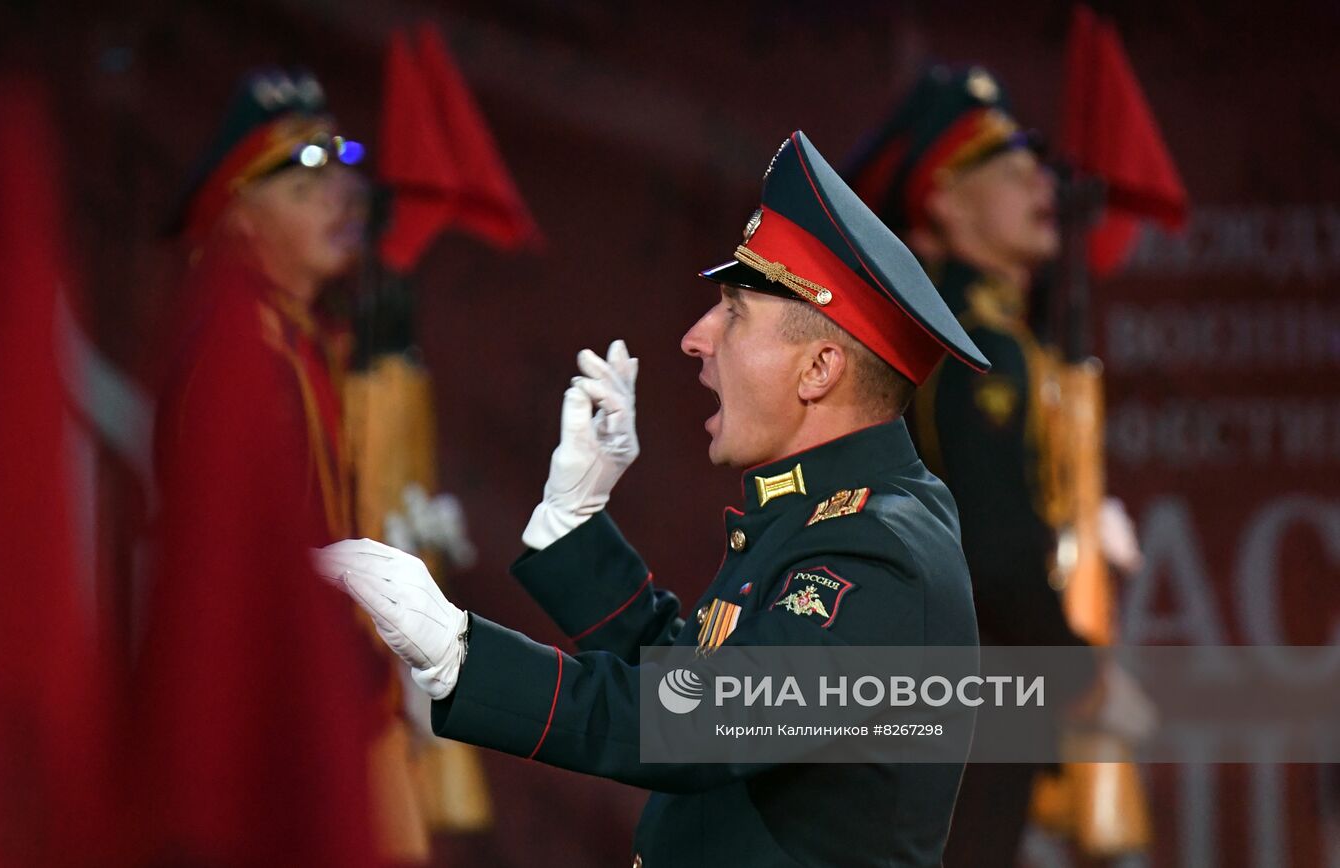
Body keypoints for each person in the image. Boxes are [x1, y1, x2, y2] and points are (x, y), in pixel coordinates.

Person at [317, 131, 989, 867]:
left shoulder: (877, 547)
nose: (696, 338)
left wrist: (463, 657)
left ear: (820, 368)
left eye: (733, 311)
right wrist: (576, 532)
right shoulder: (832, 516)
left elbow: (704, 725)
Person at [845, 64, 1147, 866]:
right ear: (943, 197)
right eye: (1007, 169)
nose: (1037, 182)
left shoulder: (970, 328)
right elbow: (996, 549)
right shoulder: (976, 339)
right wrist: (1087, 673)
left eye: (1035, 164)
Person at [152, 68, 433, 864]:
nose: (344, 190)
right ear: (234, 207)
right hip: (268, 735)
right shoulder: (230, 356)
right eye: (307, 170)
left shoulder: (313, 344)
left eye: (346, 160)